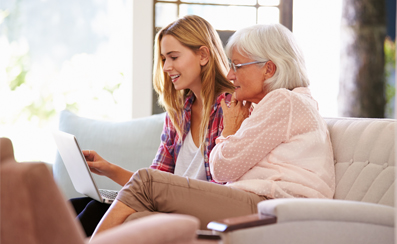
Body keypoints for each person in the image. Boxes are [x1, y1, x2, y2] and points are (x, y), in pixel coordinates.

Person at [90, 23, 335, 238]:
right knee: (135, 219)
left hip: (274, 209)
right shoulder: (271, 106)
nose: (230, 74)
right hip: (262, 206)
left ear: (269, 69)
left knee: (145, 182)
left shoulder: (284, 101)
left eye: (237, 66)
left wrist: (229, 130)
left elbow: (221, 169)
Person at [71, 15, 235, 237]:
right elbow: (154, 182)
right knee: (77, 205)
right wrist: (108, 169)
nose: (166, 67)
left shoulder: (231, 107)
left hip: (201, 210)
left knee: (94, 211)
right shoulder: (178, 115)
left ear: (204, 55)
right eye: (163, 58)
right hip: (170, 203)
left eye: (173, 57)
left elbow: (226, 189)